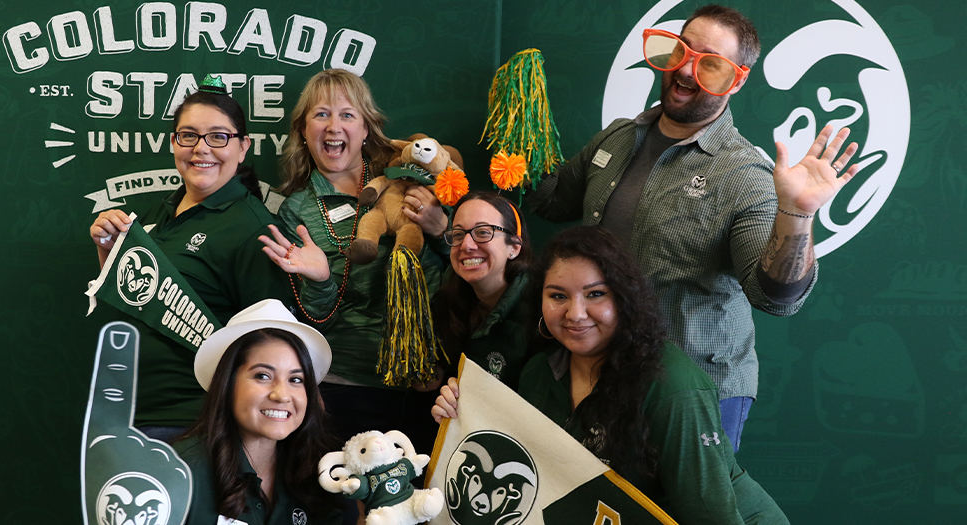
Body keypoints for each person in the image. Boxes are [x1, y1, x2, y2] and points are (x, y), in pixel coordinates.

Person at [526, 4, 860, 450]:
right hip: (604, 372)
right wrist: (517, 126)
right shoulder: (618, 137)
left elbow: (775, 298)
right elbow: (547, 200)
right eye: (681, 52)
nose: (686, 71)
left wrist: (797, 214)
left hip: (696, 391)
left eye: (711, 65)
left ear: (737, 80)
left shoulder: (743, 174)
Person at [433, 226, 788, 524]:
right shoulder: (538, 374)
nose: (576, 313)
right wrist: (462, 409)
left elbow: (710, 516)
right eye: (558, 296)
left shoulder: (672, 387)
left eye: (595, 295)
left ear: (625, 299)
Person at [88, 76, 292, 442]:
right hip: (128, 412)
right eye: (189, 135)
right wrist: (108, 252)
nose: (202, 149)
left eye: (218, 136)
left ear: (243, 147)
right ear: (173, 143)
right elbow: (142, 302)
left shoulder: (256, 229)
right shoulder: (157, 211)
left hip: (194, 422)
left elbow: (271, 347)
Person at [258, 69, 447, 454]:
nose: (333, 126)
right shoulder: (294, 209)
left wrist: (442, 229)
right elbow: (311, 319)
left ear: (365, 129)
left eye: (347, 115)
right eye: (321, 114)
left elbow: (464, 269)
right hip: (347, 390)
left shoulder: (405, 179)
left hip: (428, 384)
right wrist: (321, 279)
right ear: (303, 129)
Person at [174, 299, 341, 525]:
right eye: (263, 376)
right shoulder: (180, 471)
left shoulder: (321, 471)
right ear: (228, 383)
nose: (282, 395)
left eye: (295, 379)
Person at [432, 192, 533, 389]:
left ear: (514, 247)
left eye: (483, 232)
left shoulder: (542, 310)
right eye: (459, 234)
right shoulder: (449, 302)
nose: (467, 246)